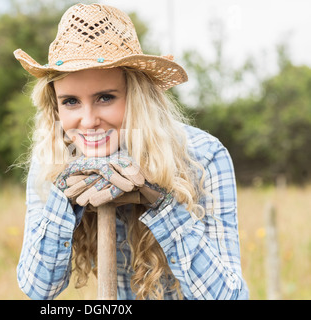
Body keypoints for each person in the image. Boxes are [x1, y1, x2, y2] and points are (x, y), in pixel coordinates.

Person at [13, 3, 249, 300]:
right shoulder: (51, 159)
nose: (88, 121)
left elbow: (230, 296)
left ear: (137, 97)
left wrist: (162, 204)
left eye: (105, 98)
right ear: (55, 106)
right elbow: (37, 289)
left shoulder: (204, 155)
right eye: (71, 101)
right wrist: (63, 200)